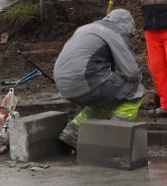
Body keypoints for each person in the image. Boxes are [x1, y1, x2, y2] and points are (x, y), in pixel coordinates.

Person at [54, 8, 146, 150]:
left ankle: (74, 131)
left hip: (63, 83)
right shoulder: (115, 32)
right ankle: (113, 139)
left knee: (110, 96)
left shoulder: (87, 28)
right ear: (126, 26)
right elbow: (133, 72)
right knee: (136, 91)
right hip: (86, 80)